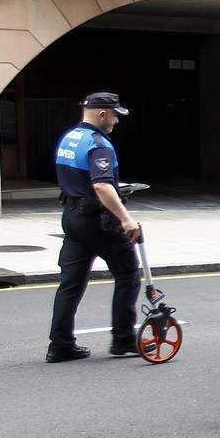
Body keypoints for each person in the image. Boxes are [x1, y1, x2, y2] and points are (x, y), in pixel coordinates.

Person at [46, 92, 142, 363]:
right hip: (98, 222)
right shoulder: (98, 144)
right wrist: (125, 218)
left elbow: (84, 180)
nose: (116, 121)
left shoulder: (70, 137)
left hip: (72, 217)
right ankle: (123, 341)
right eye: (114, 115)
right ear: (102, 114)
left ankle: (60, 345)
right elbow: (100, 185)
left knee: (71, 283)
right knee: (128, 274)